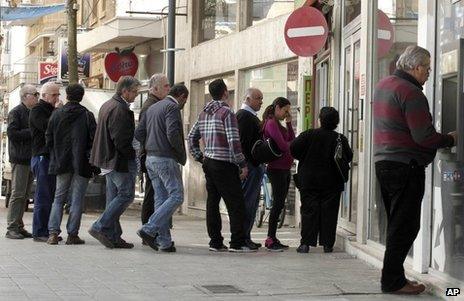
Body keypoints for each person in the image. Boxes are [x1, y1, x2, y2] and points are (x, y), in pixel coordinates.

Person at [373, 45, 456, 295]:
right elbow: (424, 137)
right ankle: (393, 281)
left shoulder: (383, 85)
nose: (429, 73)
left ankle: (395, 277)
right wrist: (451, 139)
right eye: (427, 68)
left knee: (396, 223)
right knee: (406, 225)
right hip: (405, 166)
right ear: (415, 67)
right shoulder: (411, 92)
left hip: (384, 163)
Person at [188, 79, 255, 253]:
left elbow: (191, 136)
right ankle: (237, 242)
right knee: (236, 204)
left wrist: (200, 157)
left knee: (212, 202)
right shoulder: (227, 113)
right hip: (225, 163)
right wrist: (242, 164)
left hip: (209, 162)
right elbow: (234, 141)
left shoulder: (203, 113)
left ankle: (215, 242)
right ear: (225, 92)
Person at [290, 107, 353, 254]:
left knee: (308, 210)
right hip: (332, 182)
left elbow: (293, 149)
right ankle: (327, 244)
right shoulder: (340, 138)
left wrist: (306, 157)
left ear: (320, 119)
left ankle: (306, 243)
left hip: (309, 180)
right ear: (336, 122)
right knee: (329, 212)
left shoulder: (308, 135)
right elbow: (348, 157)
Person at [88, 76, 141, 249]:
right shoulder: (119, 109)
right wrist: (131, 155)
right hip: (117, 160)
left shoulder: (108, 105)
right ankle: (100, 226)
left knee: (113, 199)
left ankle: (113, 235)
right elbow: (120, 139)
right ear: (124, 91)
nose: (135, 95)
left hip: (107, 159)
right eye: (134, 92)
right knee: (126, 195)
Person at [136, 84, 189, 252]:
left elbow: (139, 133)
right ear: (181, 96)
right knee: (177, 196)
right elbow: (173, 133)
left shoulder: (153, 107)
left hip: (150, 158)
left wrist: (147, 147)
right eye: (185, 101)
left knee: (161, 198)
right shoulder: (172, 107)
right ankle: (149, 228)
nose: (183, 105)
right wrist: (180, 154)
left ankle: (164, 241)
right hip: (165, 157)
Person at [46, 83, 97, 245]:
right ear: (81, 97)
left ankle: (53, 233)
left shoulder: (56, 114)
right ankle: (72, 234)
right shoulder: (87, 115)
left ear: (66, 95)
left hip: (61, 162)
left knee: (58, 197)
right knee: (77, 199)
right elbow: (93, 140)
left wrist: (56, 153)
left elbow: (49, 139)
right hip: (81, 163)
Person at [262, 97, 295, 252]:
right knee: (277, 204)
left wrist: (289, 123)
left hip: (285, 168)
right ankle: (270, 238)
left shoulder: (280, 124)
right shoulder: (271, 123)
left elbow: (291, 140)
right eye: (285, 110)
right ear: (277, 108)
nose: (286, 113)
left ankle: (273, 237)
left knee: (280, 203)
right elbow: (283, 146)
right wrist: (289, 145)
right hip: (276, 169)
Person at [5, 84, 38, 239]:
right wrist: (32, 132)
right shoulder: (16, 112)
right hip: (20, 158)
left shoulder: (32, 112)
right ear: (26, 96)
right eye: (35, 94)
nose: (37, 97)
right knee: (18, 193)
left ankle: (18, 225)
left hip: (30, 157)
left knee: (24, 194)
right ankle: (11, 227)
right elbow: (12, 133)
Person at [29, 82, 60, 242]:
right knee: (43, 196)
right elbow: (48, 127)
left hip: (51, 158)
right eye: (54, 95)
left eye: (58, 94)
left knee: (51, 196)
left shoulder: (52, 110)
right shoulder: (37, 110)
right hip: (42, 157)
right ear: (44, 95)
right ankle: (39, 231)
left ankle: (48, 229)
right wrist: (57, 112)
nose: (57, 98)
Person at [139, 74, 171, 228]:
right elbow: (141, 132)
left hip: (151, 154)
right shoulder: (151, 106)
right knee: (154, 193)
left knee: (156, 193)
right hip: (153, 155)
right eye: (166, 86)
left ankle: (152, 228)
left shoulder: (154, 104)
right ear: (156, 88)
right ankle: (149, 227)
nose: (169, 89)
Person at [236, 87, 265, 249]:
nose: (261, 101)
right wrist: (246, 165)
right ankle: (243, 237)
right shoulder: (244, 117)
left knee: (252, 203)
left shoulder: (250, 116)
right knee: (248, 202)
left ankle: (246, 236)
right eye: (258, 98)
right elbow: (243, 144)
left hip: (253, 166)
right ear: (247, 99)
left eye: (261, 98)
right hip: (249, 167)